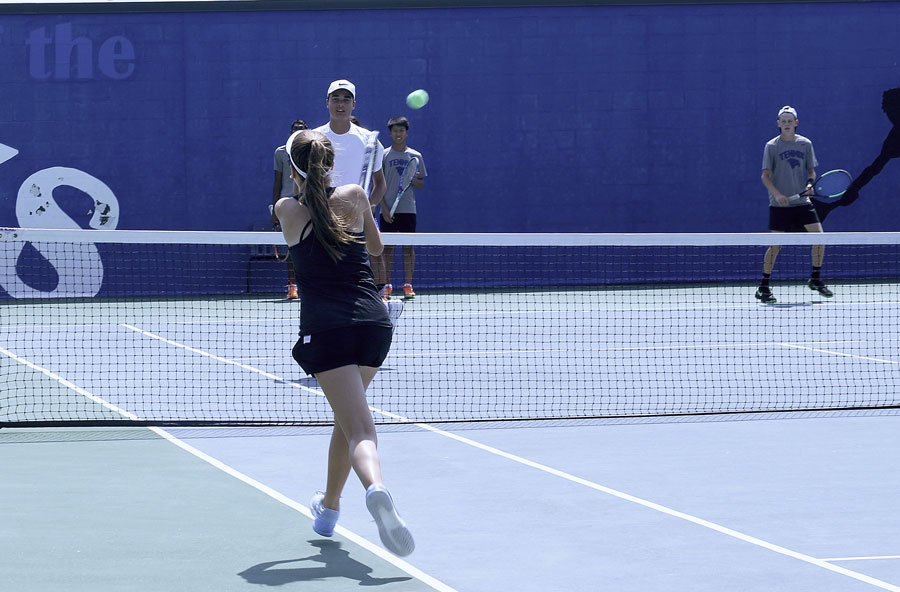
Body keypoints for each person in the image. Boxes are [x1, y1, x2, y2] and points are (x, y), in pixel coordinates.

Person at [273, 129, 414, 557]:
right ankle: (329, 509)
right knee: (348, 420)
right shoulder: (354, 195)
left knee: (360, 429)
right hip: (374, 323)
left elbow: (301, 225)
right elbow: (376, 247)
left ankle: (375, 488)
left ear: (294, 169)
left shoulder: (285, 210)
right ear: (330, 163)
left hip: (328, 329)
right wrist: (364, 203)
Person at [313, 80, 388, 297]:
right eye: (335, 99)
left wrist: (369, 207)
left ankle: (381, 302)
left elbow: (380, 183)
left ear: (354, 104)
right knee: (325, 276)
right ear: (327, 102)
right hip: (323, 218)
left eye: (346, 99)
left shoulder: (369, 141)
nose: (340, 104)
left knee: (365, 269)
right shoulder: (315, 138)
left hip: (357, 219)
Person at [756, 106, 833, 304]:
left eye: (791, 121)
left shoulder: (805, 144)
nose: (787, 124)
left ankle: (815, 278)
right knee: (776, 245)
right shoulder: (771, 146)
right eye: (784, 121)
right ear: (778, 124)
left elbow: (811, 172)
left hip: (802, 202)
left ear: (796, 123)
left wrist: (809, 185)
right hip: (779, 205)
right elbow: (765, 177)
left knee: (820, 239)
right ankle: (763, 286)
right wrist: (777, 194)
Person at [815, 87, 900, 222]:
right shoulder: (894, 140)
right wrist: (854, 189)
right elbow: (874, 168)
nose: (889, 115)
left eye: (891, 109)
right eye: (887, 111)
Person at [379, 116, 427, 300]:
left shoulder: (416, 156)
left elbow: (421, 183)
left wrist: (411, 179)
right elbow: (378, 184)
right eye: (395, 131)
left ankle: (408, 285)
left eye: (401, 130)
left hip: (407, 209)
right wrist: (383, 208)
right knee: (387, 249)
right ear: (390, 133)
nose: (398, 134)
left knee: (408, 248)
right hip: (388, 209)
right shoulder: (383, 155)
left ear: (406, 133)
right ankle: (387, 286)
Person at [272, 119, 308, 299]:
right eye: (294, 129)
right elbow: (277, 182)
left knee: (309, 246)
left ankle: (309, 285)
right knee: (291, 247)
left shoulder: (312, 150)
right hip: (287, 205)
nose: (297, 132)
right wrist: (274, 210)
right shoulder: (280, 153)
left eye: (301, 130)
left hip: (307, 203)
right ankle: (292, 286)